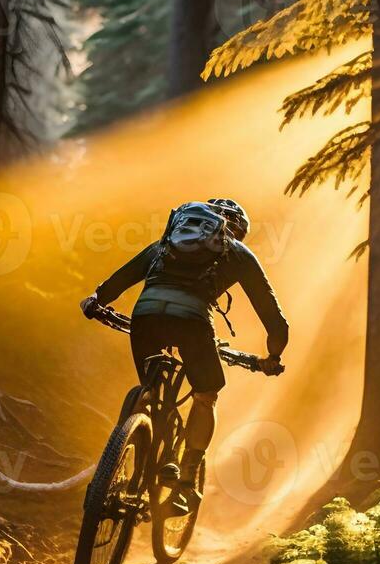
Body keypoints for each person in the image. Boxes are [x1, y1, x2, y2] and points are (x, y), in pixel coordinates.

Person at [82, 198, 287, 514]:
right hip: (192, 322)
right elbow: (273, 317)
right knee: (206, 395)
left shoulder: (167, 242)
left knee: (149, 390)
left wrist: (97, 300)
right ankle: (186, 476)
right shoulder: (238, 253)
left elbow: (122, 278)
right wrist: (272, 356)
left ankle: (121, 463)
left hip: (146, 316)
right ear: (238, 231)